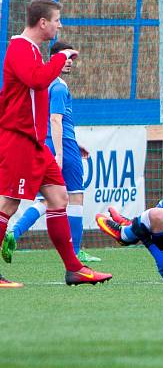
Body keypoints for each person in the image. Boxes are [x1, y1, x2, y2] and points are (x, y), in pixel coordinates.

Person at [0, 0, 111, 287]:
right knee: (8, 203)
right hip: (20, 140)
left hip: (36, 143)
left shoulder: (33, 51)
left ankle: (74, 269)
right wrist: (60, 59)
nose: (60, 25)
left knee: (59, 198)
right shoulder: (20, 49)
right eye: (57, 20)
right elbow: (37, 81)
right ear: (43, 23)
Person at [2, 41, 99, 264]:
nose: (70, 64)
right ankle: (75, 253)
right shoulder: (58, 86)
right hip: (61, 145)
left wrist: (75, 142)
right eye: (66, 59)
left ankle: (12, 233)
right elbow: (56, 119)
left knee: (47, 199)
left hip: (45, 144)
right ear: (54, 58)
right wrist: (62, 152)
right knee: (75, 195)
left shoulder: (41, 85)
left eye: (72, 60)